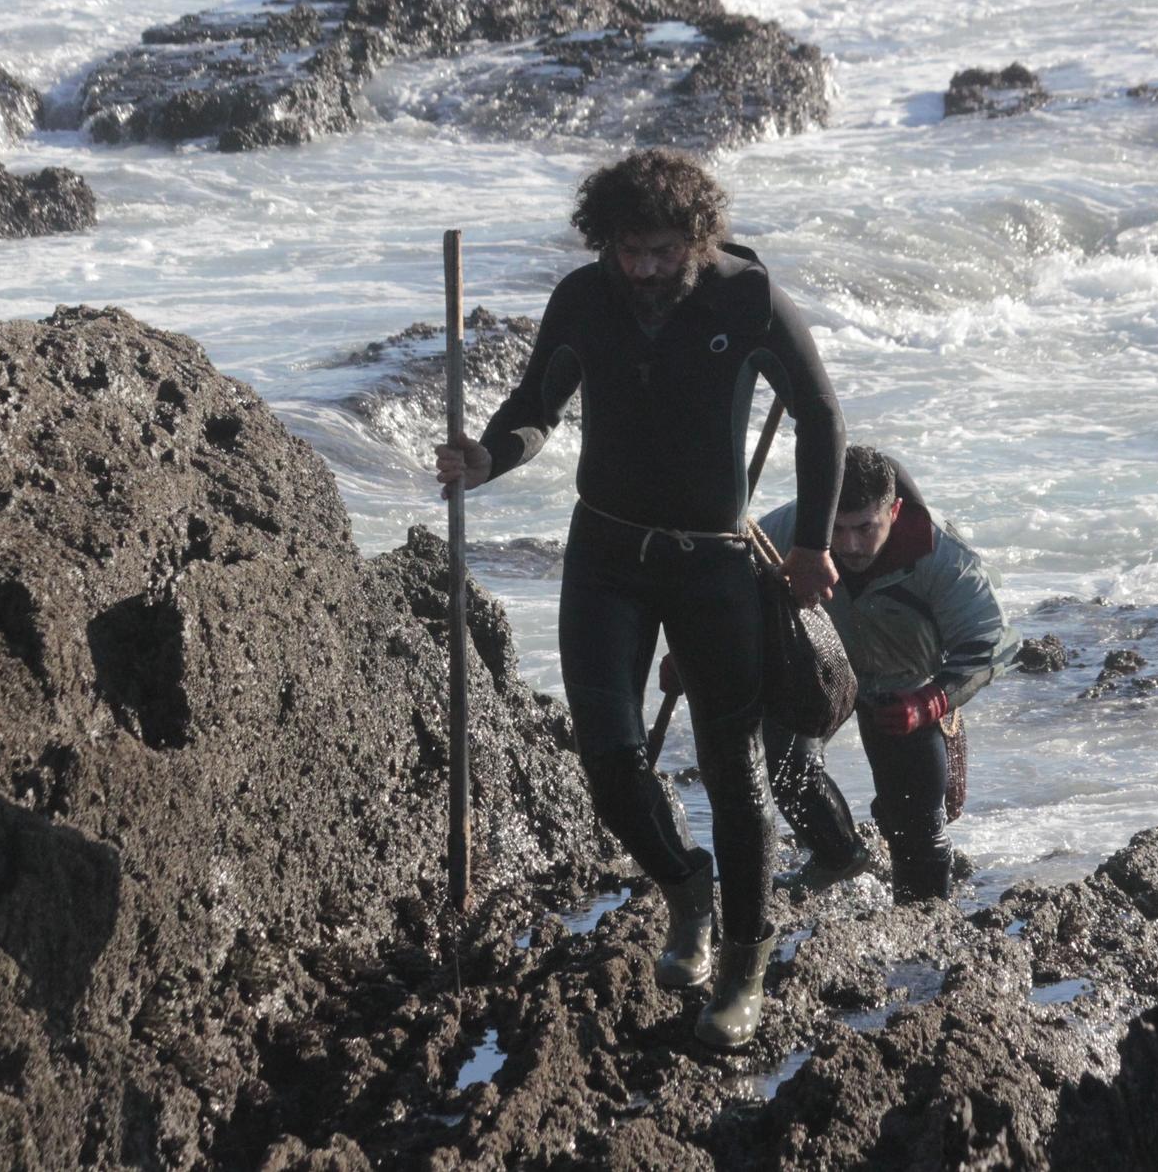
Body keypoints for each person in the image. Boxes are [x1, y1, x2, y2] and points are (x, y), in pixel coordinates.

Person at [436, 149, 843, 1050]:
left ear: (696, 238)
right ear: (605, 240)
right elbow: (535, 406)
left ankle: (743, 962)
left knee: (735, 776)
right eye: (628, 249)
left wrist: (813, 540)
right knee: (608, 762)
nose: (645, 268)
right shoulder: (584, 297)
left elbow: (819, 414)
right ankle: (683, 884)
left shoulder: (747, 299)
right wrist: (487, 458)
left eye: (662, 250)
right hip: (607, 554)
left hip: (713, 564)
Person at [756, 444, 1017, 902]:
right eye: (835, 528)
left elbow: (988, 647)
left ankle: (926, 924)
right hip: (817, 664)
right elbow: (725, 588)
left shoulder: (942, 556)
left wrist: (931, 702)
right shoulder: (789, 528)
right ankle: (838, 853)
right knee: (781, 764)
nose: (849, 545)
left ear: (894, 511)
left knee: (917, 825)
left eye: (864, 528)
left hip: (903, 684)